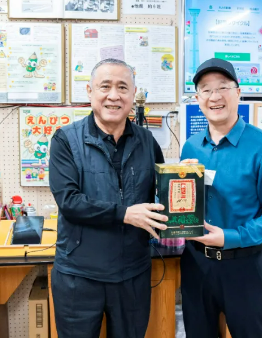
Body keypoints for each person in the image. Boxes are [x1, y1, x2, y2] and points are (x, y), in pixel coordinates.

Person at [49, 58, 167, 338]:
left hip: (133, 275)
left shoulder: (147, 142)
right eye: (105, 86)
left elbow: (162, 198)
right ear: (90, 92)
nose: (114, 95)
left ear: (133, 94)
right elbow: (69, 202)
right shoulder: (65, 140)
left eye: (122, 87)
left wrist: (186, 178)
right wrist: (125, 214)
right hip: (78, 276)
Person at [180, 58, 262, 338]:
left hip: (244, 266)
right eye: (206, 90)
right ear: (198, 99)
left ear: (238, 93)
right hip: (196, 264)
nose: (214, 96)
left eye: (222, 88)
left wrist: (230, 237)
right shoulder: (191, 147)